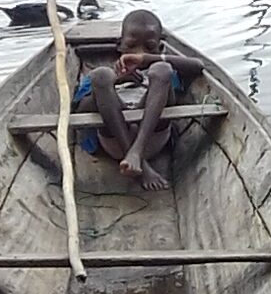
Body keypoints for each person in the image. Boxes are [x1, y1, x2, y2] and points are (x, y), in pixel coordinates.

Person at [75, 10, 205, 190]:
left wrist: (148, 60)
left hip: (154, 137)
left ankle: (136, 153)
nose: (139, 52)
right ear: (119, 46)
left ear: (160, 49)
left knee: (161, 69)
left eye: (149, 47)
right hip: (113, 140)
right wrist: (116, 81)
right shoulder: (106, 75)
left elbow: (198, 66)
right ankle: (139, 162)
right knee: (101, 74)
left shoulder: (166, 71)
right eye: (131, 46)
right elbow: (81, 111)